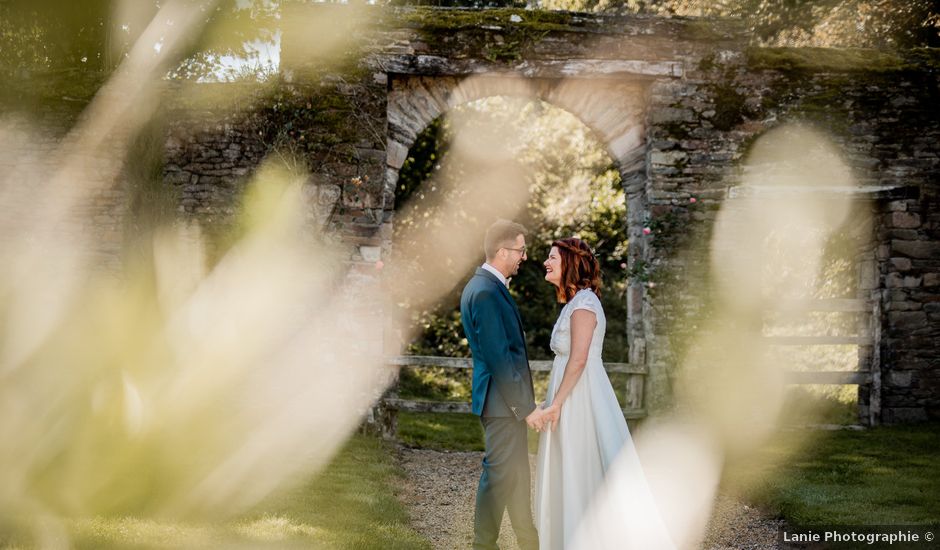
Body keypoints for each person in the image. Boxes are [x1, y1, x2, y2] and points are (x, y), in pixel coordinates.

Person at [529, 237, 634, 550]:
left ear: (570, 264)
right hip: (570, 393)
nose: (546, 263)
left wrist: (557, 404)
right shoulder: (575, 303)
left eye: (552, 258)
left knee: (578, 465)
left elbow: (579, 358)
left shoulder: (585, 303)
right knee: (568, 466)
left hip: (579, 399)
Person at [460, 219, 541, 550]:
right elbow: (499, 358)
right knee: (497, 479)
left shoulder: (488, 288)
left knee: (518, 478)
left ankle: (528, 541)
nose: (523, 257)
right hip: (502, 404)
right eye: (521, 250)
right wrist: (525, 408)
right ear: (502, 251)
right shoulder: (485, 292)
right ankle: (483, 545)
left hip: (503, 404)